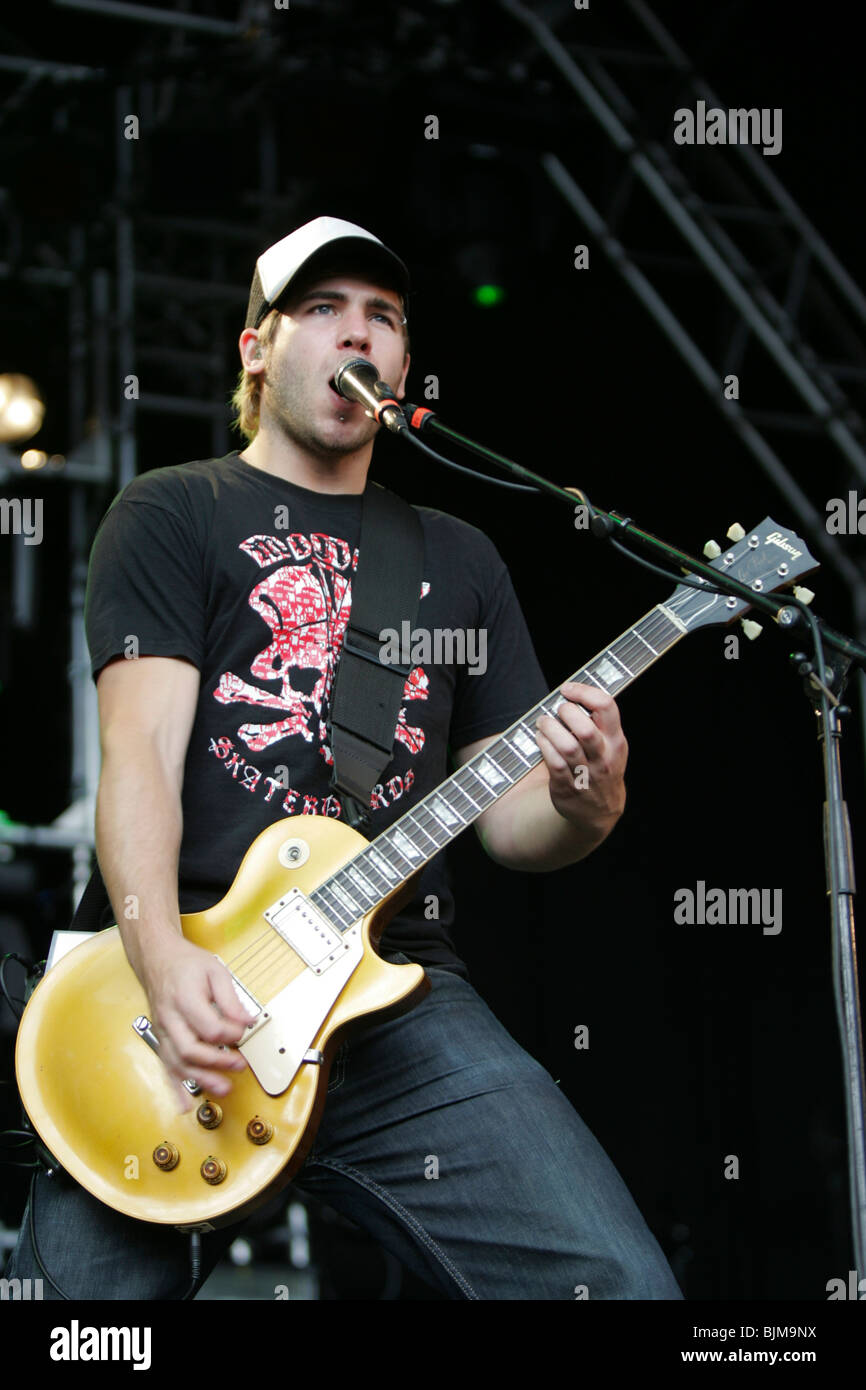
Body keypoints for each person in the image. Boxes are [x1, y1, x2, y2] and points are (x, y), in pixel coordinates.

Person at [8, 216, 682, 1300]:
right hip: (175, 974)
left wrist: (587, 796)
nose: (354, 334)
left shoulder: (459, 558)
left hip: (393, 990)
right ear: (257, 349)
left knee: (616, 1284)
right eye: (319, 309)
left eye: (381, 316)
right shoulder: (173, 510)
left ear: (404, 365)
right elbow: (135, 756)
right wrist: (162, 958)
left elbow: (512, 826)